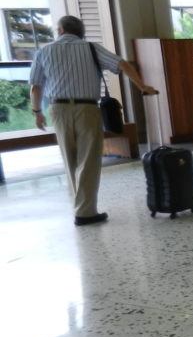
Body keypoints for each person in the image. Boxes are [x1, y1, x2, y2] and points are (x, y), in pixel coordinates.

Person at [29, 15, 157, 226]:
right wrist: (142, 87)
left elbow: (35, 86)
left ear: (60, 30)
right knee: (88, 159)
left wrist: (37, 112)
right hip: (87, 108)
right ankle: (85, 211)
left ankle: (80, 207)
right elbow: (121, 64)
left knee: (70, 159)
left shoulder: (44, 51)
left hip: (58, 108)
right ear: (80, 31)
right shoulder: (90, 48)